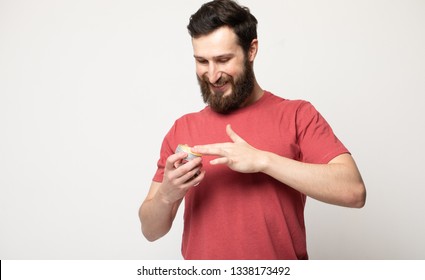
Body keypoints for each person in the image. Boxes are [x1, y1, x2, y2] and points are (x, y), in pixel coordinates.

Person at [139, 0, 366, 260]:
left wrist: (263, 160)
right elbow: (150, 230)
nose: (212, 75)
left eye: (223, 60)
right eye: (202, 61)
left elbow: (353, 191)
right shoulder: (183, 128)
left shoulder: (296, 115)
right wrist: (167, 195)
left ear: (251, 50)